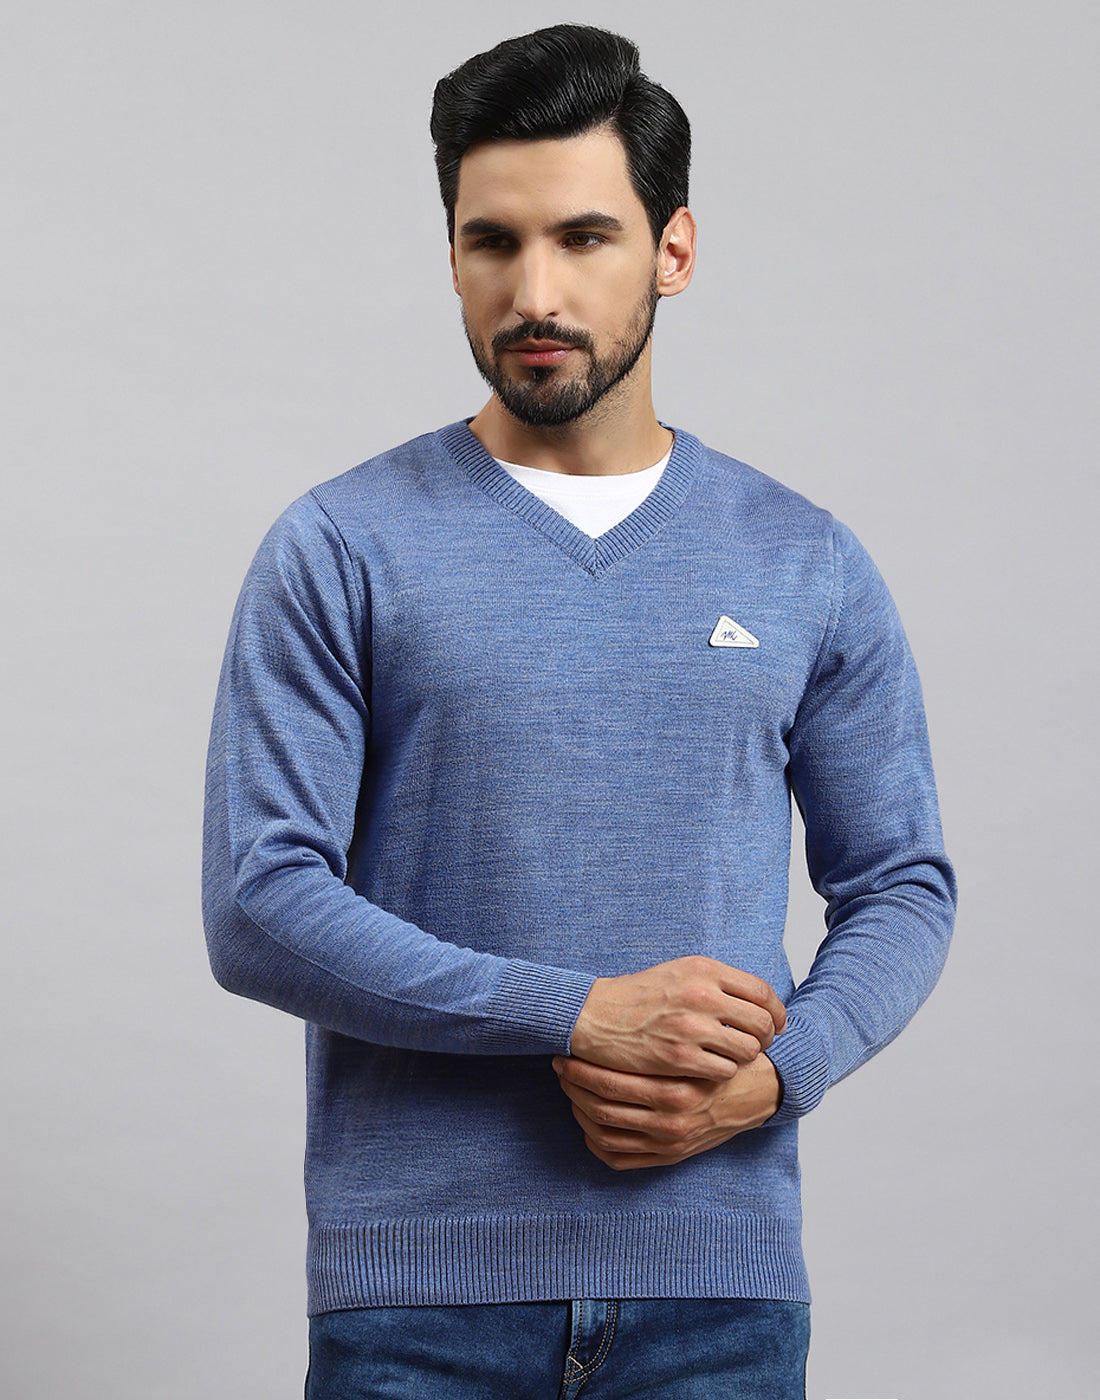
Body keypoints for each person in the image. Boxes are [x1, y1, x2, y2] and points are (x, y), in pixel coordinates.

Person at [203, 24, 956, 1398]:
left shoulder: (803, 559)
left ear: (673, 251)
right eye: (492, 243)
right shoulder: (341, 546)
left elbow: (902, 882)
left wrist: (777, 1077)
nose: (533, 291)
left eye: (584, 238)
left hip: (717, 1299)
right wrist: (578, 1014)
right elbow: (260, 905)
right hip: (416, 1307)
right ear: (450, 257)